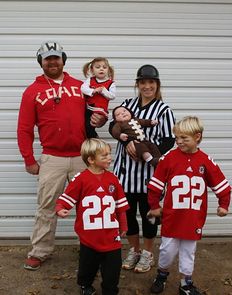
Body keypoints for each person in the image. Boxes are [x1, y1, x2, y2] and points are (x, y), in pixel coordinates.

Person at [17, 41, 106, 271]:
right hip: (52, 158)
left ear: (63, 60)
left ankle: (93, 249)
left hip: (83, 157)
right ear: (41, 62)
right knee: (46, 207)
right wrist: (29, 159)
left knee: (90, 204)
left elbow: (98, 111)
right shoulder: (31, 92)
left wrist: (102, 119)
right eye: (47, 58)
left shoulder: (81, 86)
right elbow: (24, 129)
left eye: (56, 57)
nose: (52, 61)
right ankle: (39, 252)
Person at [147, 116, 231, 295]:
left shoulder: (205, 161)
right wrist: (154, 205)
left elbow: (222, 185)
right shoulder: (169, 158)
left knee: (188, 252)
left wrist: (224, 204)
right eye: (177, 138)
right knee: (167, 251)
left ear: (197, 136)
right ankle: (161, 275)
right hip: (172, 216)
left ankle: (186, 283)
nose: (179, 142)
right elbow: (155, 185)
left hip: (193, 218)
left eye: (184, 138)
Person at [110, 64, 175, 273]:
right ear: (137, 84)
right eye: (143, 82)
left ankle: (147, 253)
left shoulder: (163, 110)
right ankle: (134, 250)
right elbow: (116, 127)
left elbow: (168, 141)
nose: (147, 86)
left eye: (151, 82)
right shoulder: (127, 104)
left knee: (149, 215)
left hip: (148, 174)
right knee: (127, 215)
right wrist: (127, 142)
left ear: (157, 84)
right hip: (125, 173)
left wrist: (145, 150)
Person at [55, 138, 129, 295]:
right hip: (89, 236)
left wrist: (123, 224)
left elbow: (120, 205)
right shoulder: (80, 179)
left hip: (111, 236)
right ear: (91, 159)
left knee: (113, 270)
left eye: (109, 154)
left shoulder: (113, 179)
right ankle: (85, 285)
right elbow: (66, 198)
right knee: (87, 267)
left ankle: (110, 290)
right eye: (104, 156)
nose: (109, 158)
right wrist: (61, 208)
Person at [81, 57, 116, 138]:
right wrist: (92, 91)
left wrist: (103, 90)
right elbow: (83, 88)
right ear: (92, 70)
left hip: (100, 110)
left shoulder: (111, 83)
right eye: (98, 67)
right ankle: (92, 140)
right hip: (89, 108)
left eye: (104, 67)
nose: (101, 69)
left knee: (90, 126)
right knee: (83, 125)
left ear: (108, 70)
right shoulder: (90, 80)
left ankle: (94, 139)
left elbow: (112, 96)